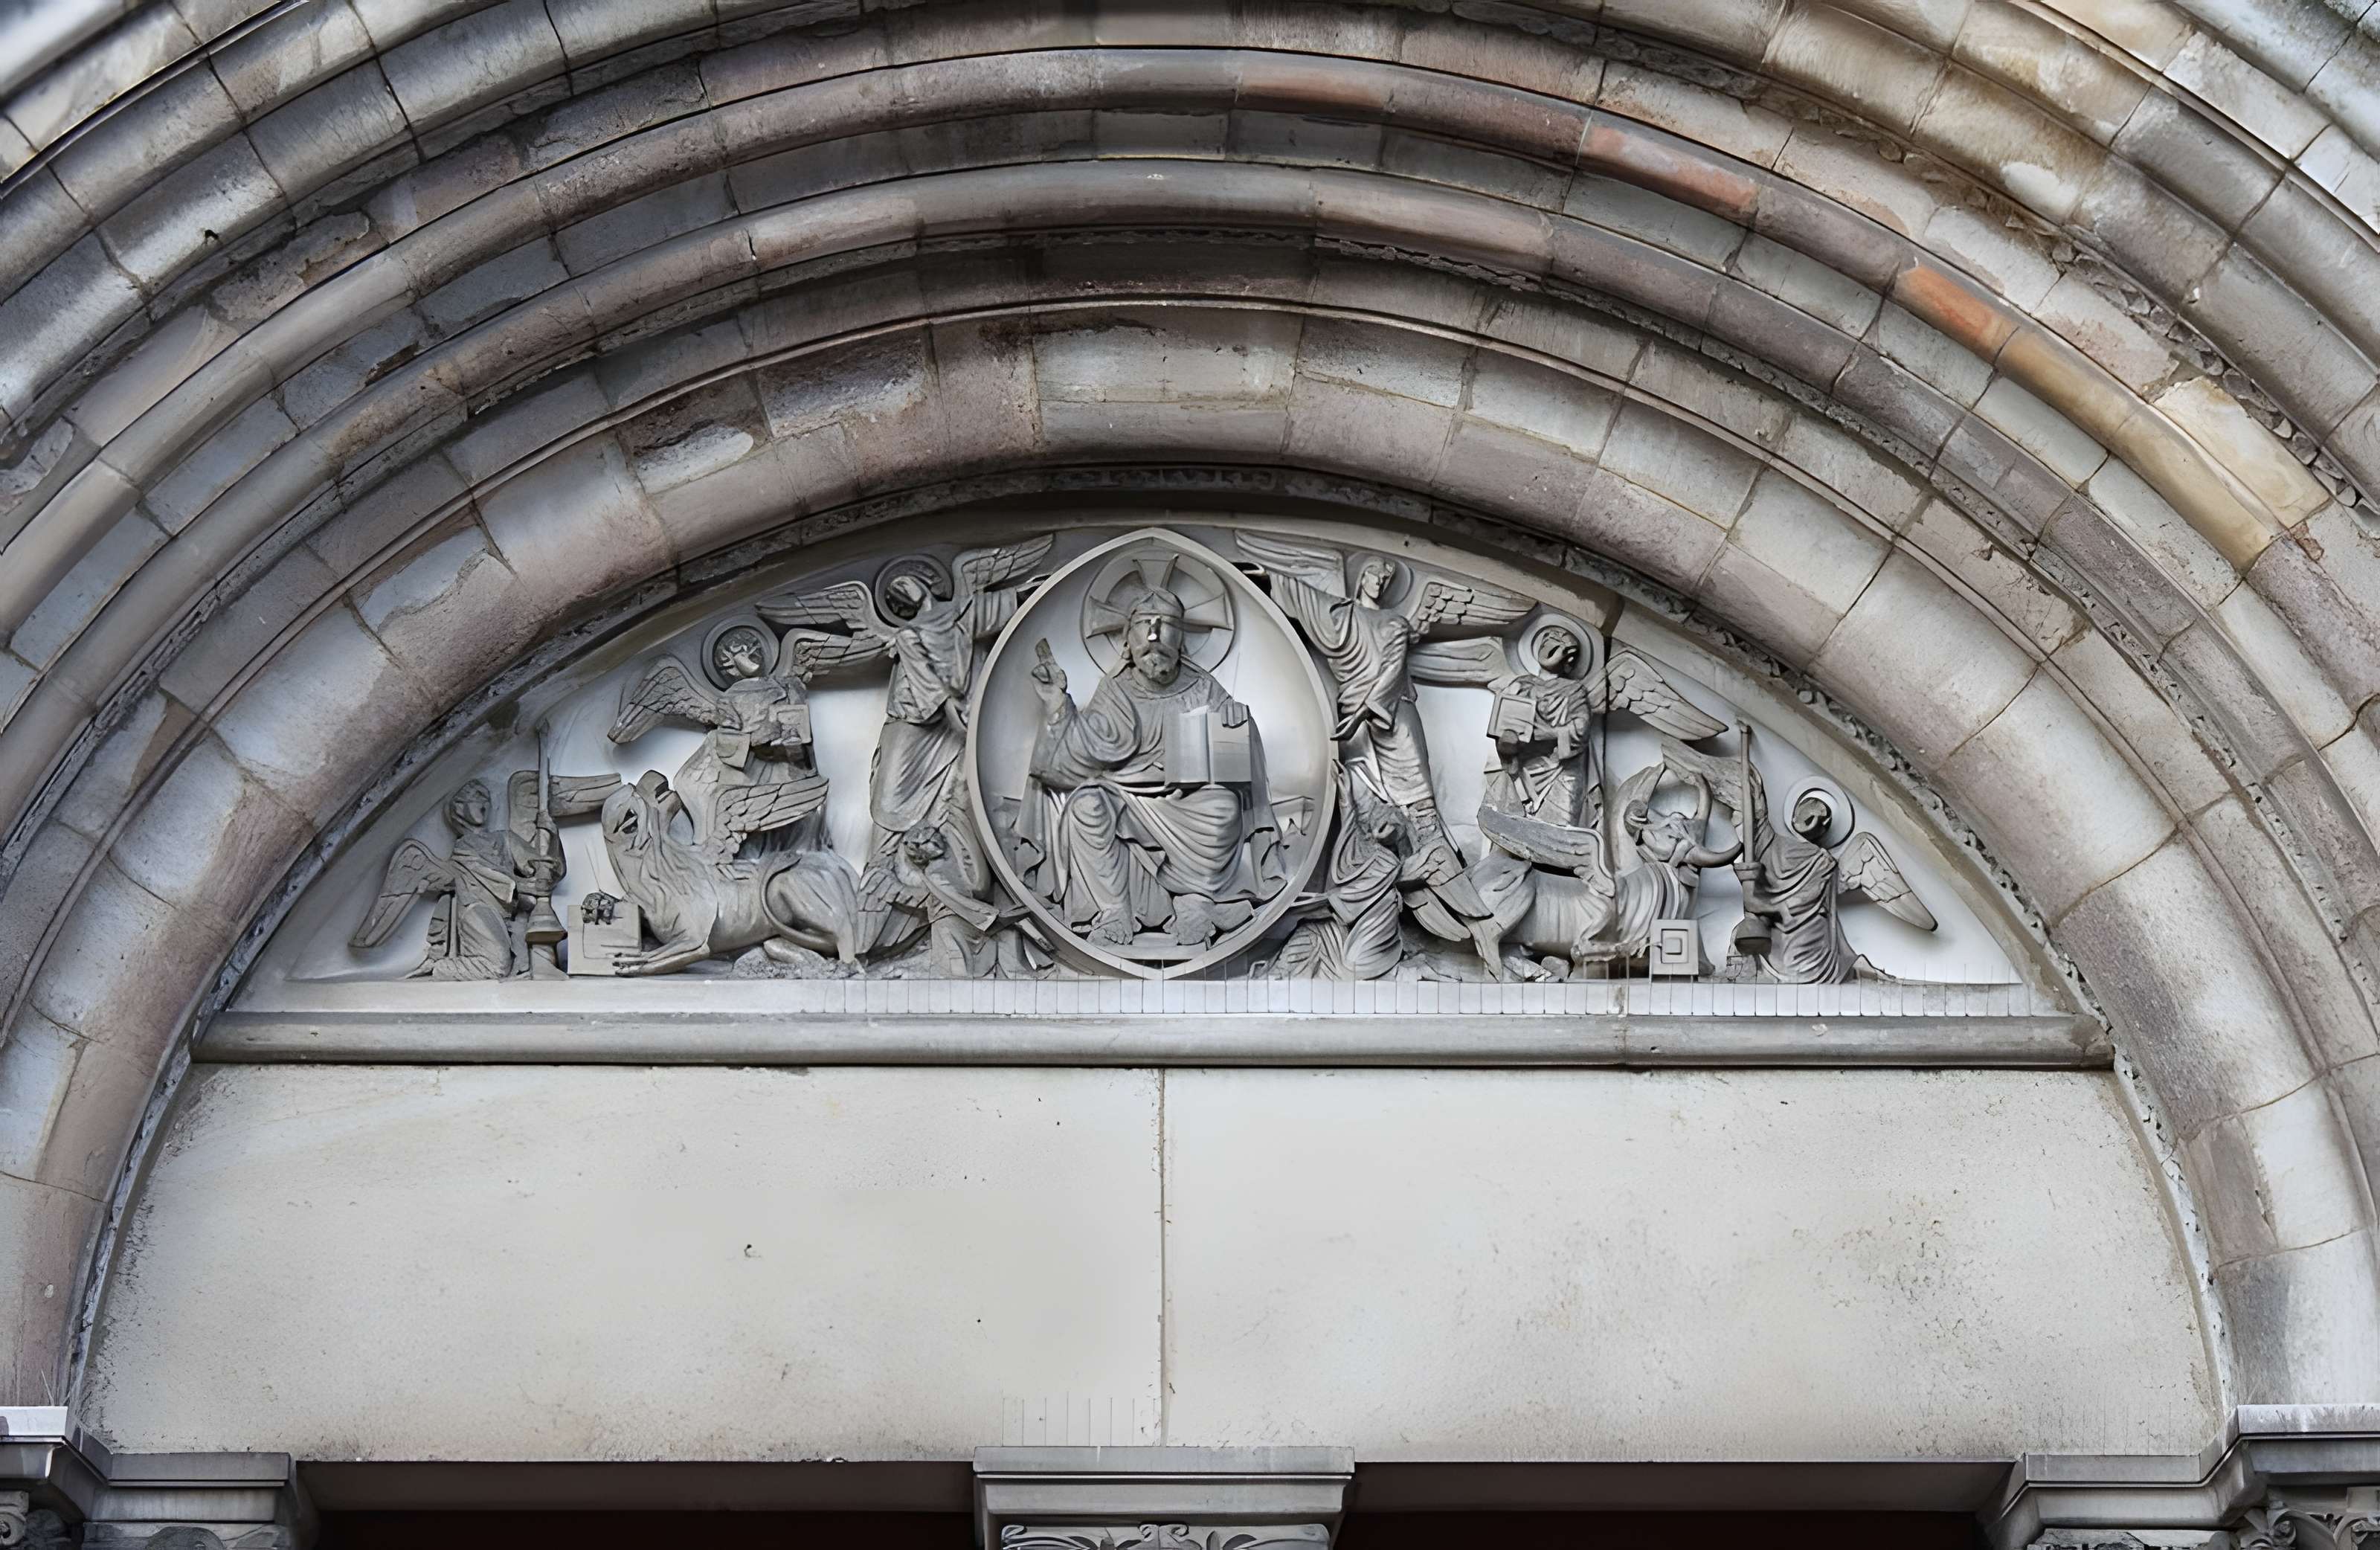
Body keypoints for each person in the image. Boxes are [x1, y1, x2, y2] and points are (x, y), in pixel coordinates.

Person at [1014, 587, 1284, 949]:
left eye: (1167, 625)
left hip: (1187, 807)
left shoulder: (1204, 688)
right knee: (1086, 805)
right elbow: (1076, 758)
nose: (1154, 635)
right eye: (1144, 625)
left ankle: (1195, 902)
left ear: (1182, 639)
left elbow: (1235, 757)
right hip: (1127, 800)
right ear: (1127, 639)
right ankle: (1113, 911)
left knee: (1223, 808)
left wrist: (1239, 721)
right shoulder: (1115, 691)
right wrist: (1057, 706)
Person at [1482, 623, 1596, 826]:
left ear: (1569, 658)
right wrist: (1507, 744)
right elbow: (1503, 725)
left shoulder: (1574, 691)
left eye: (1563, 645)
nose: (1553, 646)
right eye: (1550, 639)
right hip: (1523, 767)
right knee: (1513, 828)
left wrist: (1547, 733)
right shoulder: (1519, 685)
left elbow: (1581, 729)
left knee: (1558, 834)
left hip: (1560, 772)